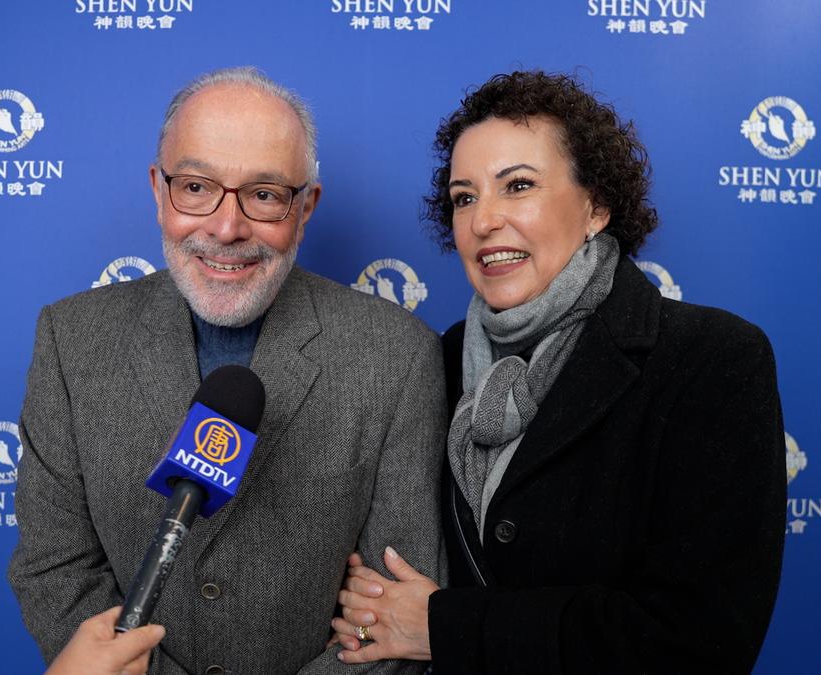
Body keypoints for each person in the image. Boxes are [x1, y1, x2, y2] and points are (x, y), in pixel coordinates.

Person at [332, 71, 787, 674]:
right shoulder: (437, 359)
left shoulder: (711, 358)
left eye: (517, 186)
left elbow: (700, 641)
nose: (483, 221)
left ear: (596, 206)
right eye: (464, 197)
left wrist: (444, 626)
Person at [8, 66, 447, 674]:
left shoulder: (398, 356)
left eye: (264, 195)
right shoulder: (71, 340)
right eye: (196, 187)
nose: (226, 227)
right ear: (159, 190)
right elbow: (55, 570)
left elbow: (389, 618)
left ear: (306, 206)